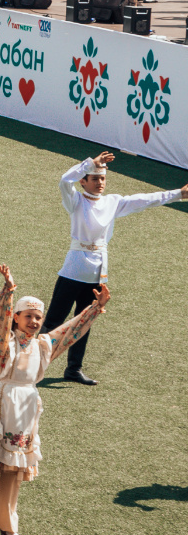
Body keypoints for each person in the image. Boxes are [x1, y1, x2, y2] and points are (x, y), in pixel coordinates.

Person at [0, 265, 108, 535]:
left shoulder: (44, 345)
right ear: (16, 318)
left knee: (13, 473)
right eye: (28, 316)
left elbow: (70, 331)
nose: (34, 321)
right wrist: (8, 291)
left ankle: (7, 525)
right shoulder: (4, 344)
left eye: (38, 317)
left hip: (25, 413)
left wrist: (95, 307)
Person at [41, 152, 186, 384]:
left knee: (85, 321)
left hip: (97, 272)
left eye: (103, 179)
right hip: (73, 270)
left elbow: (146, 199)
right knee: (53, 321)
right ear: (84, 182)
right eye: (94, 179)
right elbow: (64, 181)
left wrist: (178, 194)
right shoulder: (75, 200)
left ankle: (73, 369)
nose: (100, 183)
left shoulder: (113, 202)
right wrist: (90, 163)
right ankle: (29, 365)